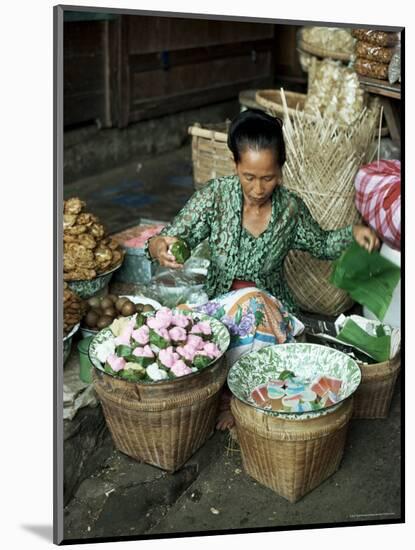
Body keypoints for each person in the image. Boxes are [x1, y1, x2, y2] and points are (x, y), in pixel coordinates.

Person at [145, 109, 379, 430]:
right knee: (216, 317)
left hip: (273, 313)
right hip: (223, 309)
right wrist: (160, 247)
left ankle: (244, 398)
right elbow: (172, 235)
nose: (258, 188)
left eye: (268, 178)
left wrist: (352, 234)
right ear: (235, 166)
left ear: (280, 171)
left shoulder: (290, 209)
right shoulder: (216, 197)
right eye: (249, 177)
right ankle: (239, 396)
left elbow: (321, 244)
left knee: (259, 305)